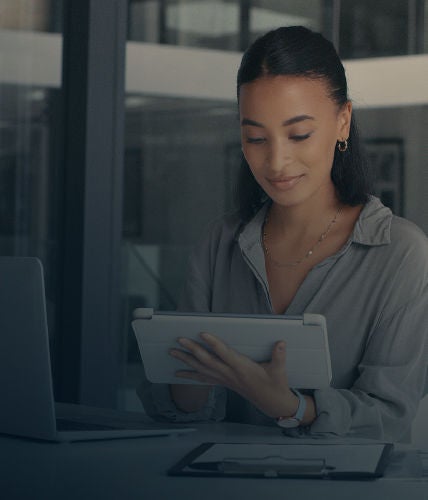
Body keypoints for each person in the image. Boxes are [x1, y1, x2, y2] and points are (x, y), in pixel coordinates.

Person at [138, 26, 428, 442]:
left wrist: (292, 407)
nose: (276, 161)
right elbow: (175, 407)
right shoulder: (220, 243)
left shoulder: (400, 253)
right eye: (255, 137)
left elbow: (390, 415)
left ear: (343, 121)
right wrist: (192, 379)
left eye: (299, 135)